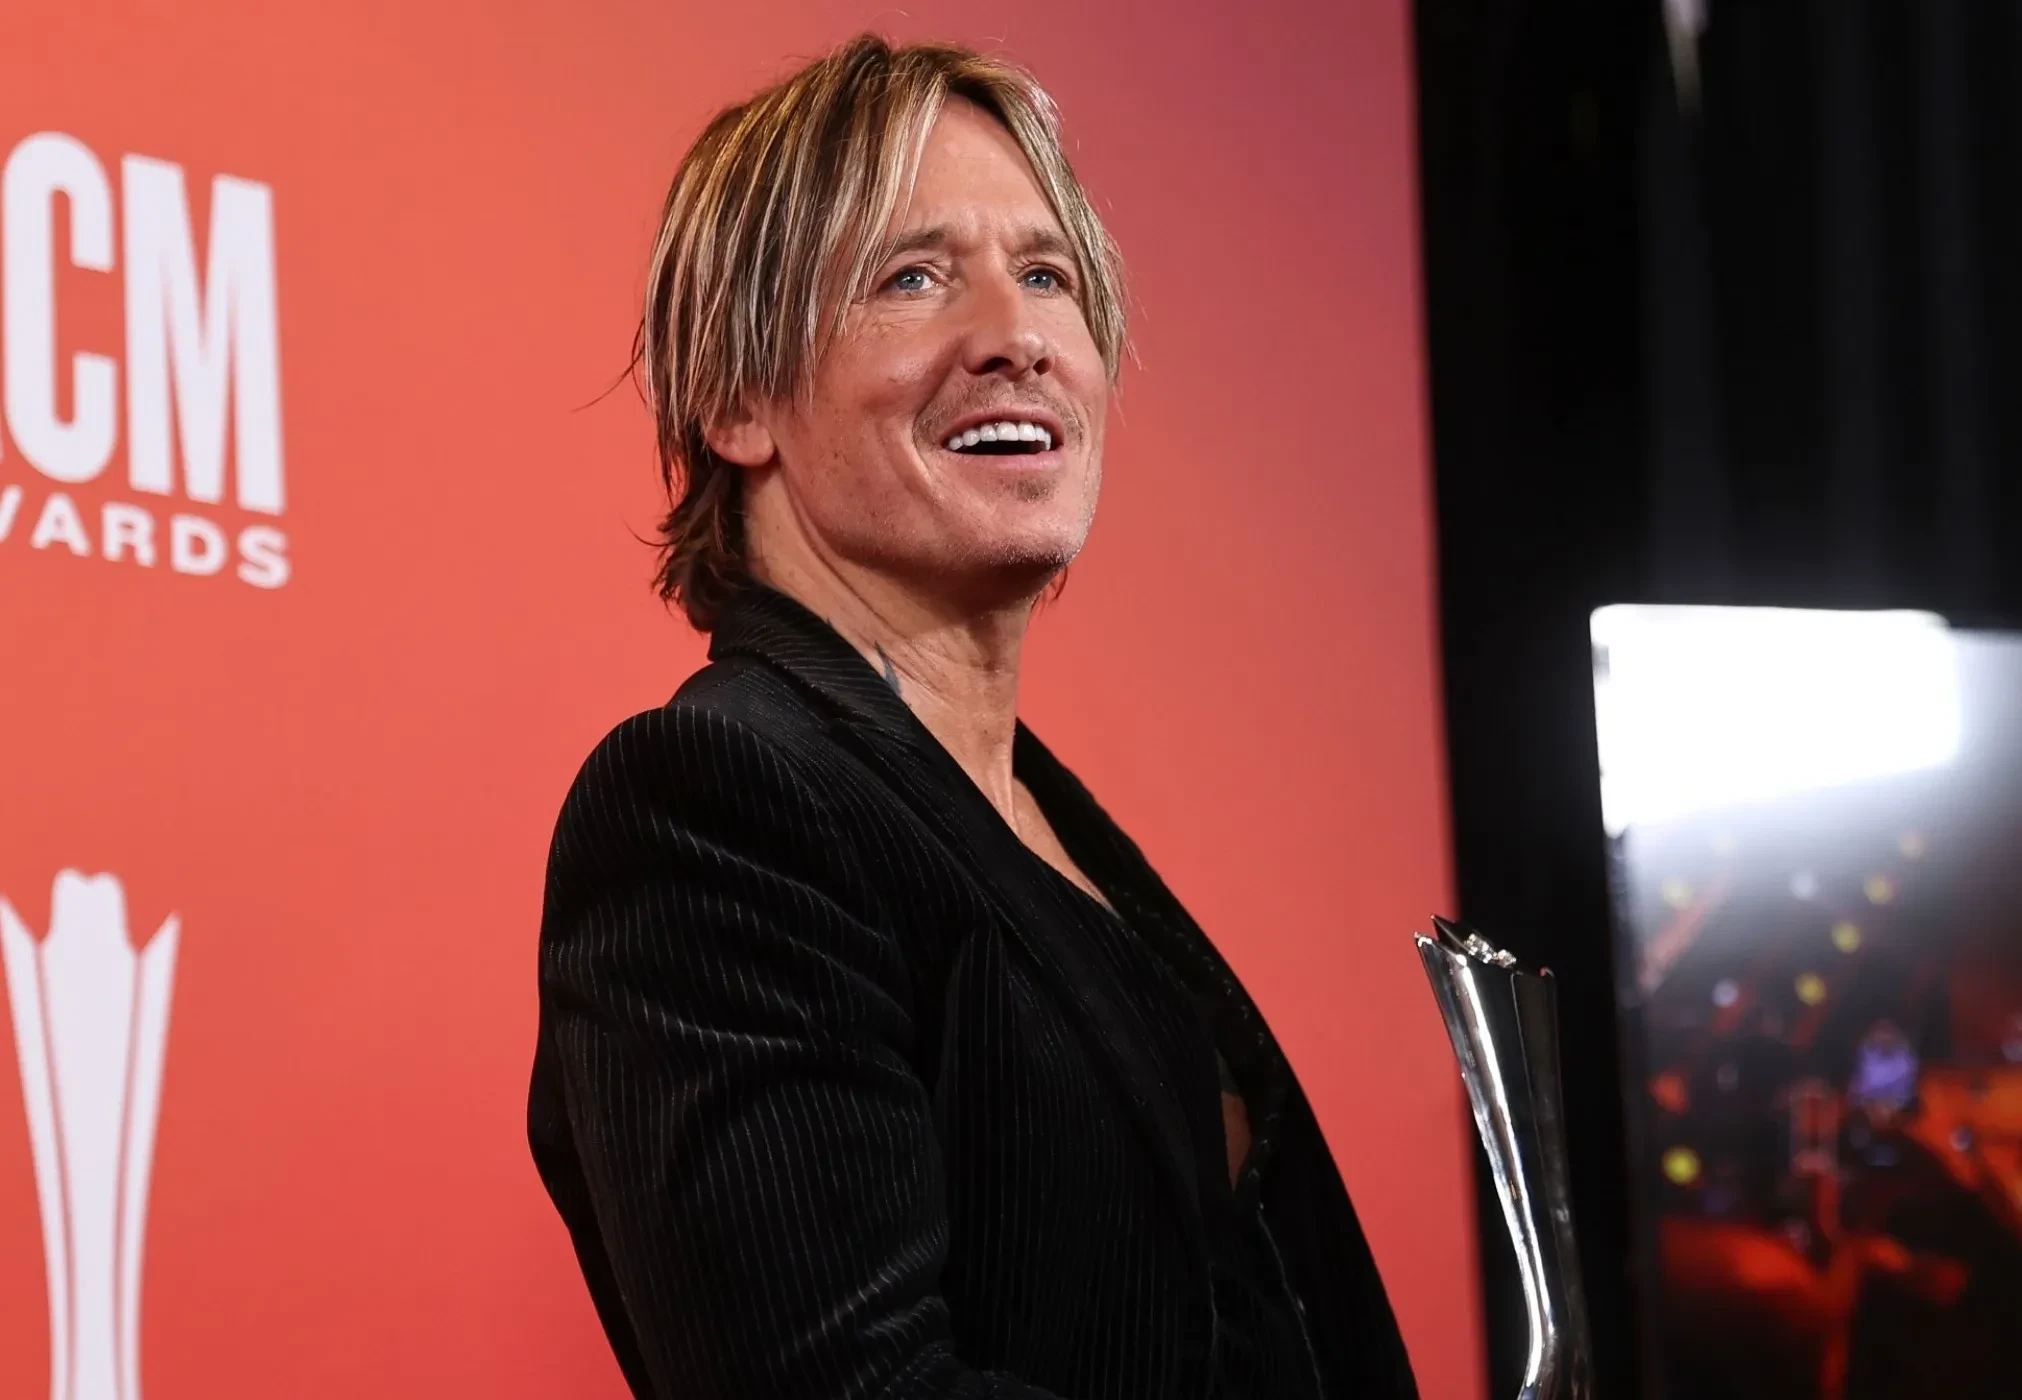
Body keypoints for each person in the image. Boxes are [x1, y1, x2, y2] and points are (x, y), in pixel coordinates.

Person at [528, 34, 1417, 1400]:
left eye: (1047, 274)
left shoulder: (1034, 820)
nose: (1018, 336)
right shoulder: (712, 803)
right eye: (913, 276)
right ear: (735, 398)